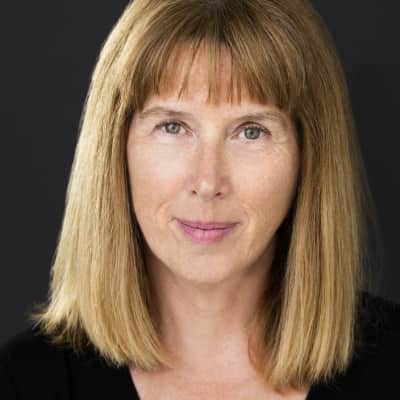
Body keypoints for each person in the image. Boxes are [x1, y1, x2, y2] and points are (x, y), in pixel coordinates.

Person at [1, 0, 399, 398]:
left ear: (308, 155)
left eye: (251, 131)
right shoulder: (21, 384)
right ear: (115, 148)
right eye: (173, 126)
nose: (208, 183)